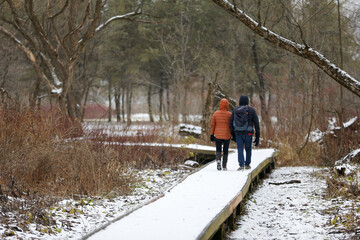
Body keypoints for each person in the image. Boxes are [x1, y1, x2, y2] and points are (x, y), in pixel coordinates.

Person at [229, 95, 260, 170]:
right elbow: (256, 123)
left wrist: (233, 135)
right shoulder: (251, 110)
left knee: (240, 149)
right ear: (247, 101)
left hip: (238, 133)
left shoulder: (235, 110)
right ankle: (247, 164)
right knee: (248, 148)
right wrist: (257, 136)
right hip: (248, 133)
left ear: (240, 101)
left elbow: (230, 123)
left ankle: (241, 165)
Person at [210, 98, 232, 171]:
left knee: (218, 149)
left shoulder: (216, 113)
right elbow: (232, 125)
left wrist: (211, 134)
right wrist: (233, 135)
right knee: (225, 150)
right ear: (227, 105)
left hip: (218, 135)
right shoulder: (229, 114)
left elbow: (212, 125)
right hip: (227, 135)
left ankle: (218, 160)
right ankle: (224, 165)